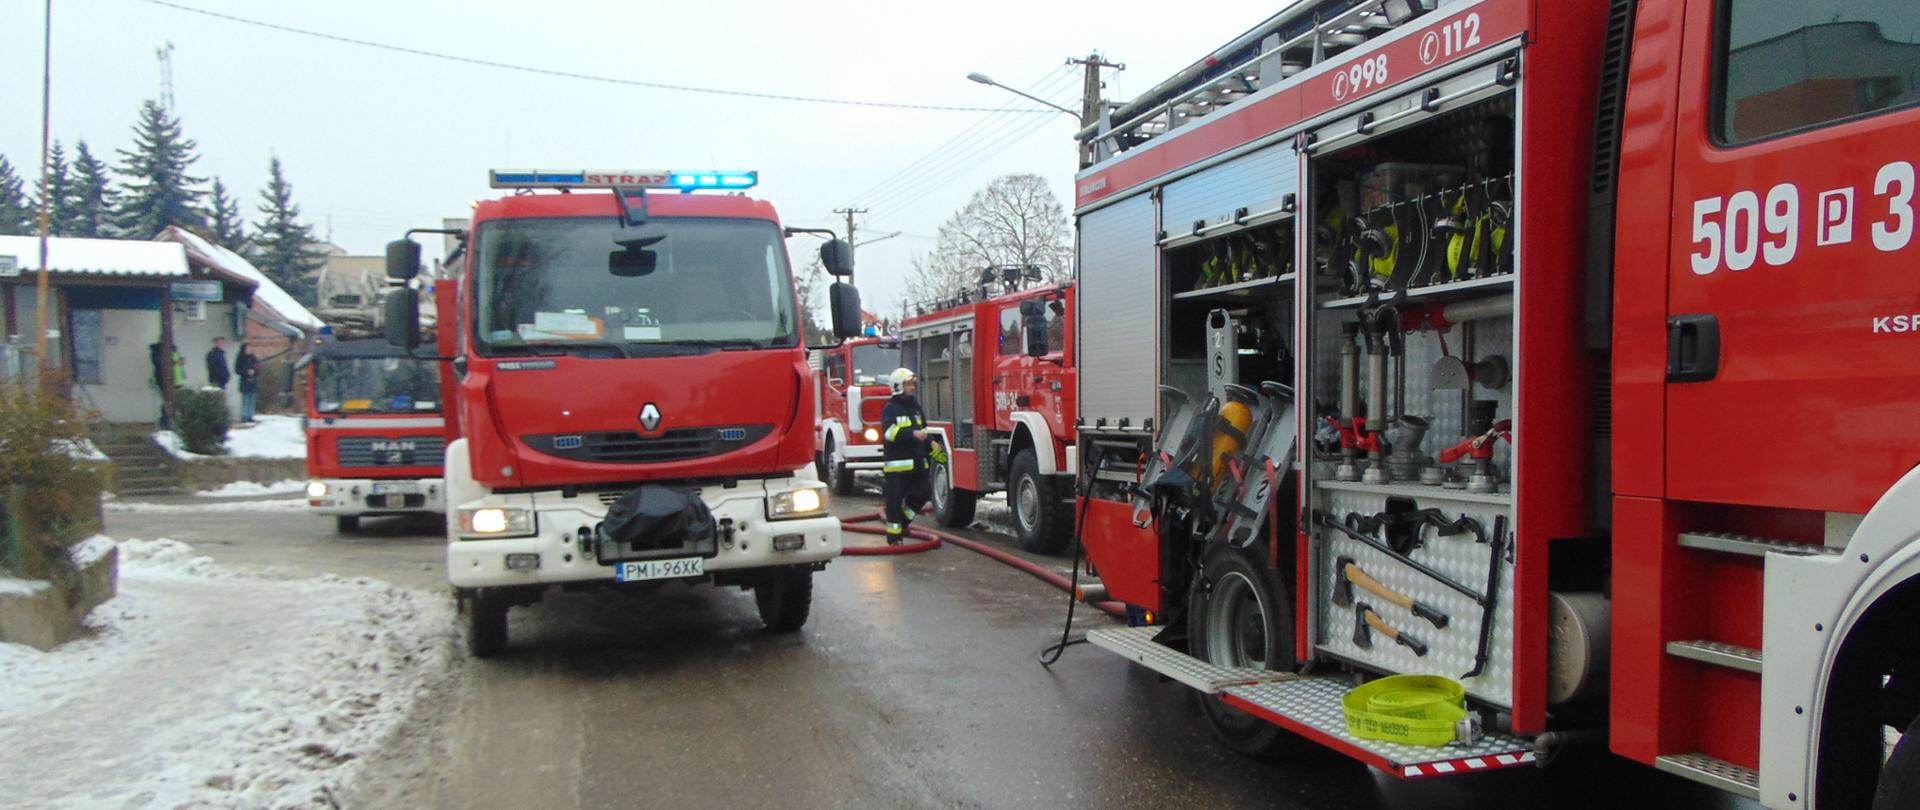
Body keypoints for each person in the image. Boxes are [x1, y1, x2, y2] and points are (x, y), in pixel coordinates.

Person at [879, 367, 947, 545]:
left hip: (917, 464)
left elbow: (923, 429)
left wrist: (930, 441)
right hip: (897, 468)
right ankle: (894, 538)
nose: (912, 387)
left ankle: (902, 523)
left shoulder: (916, 407)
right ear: (898, 386)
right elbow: (889, 433)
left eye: (912, 384)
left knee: (923, 494)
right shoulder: (890, 409)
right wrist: (912, 434)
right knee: (893, 504)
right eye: (908, 384)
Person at [234, 344, 259, 422]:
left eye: (250, 348)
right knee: (246, 400)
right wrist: (246, 372)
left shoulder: (254, 358)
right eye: (248, 348)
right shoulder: (241, 359)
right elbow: (237, 370)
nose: (250, 349)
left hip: (253, 381)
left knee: (252, 399)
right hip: (245, 381)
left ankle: (250, 415)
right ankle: (244, 416)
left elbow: (258, 368)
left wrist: (254, 372)